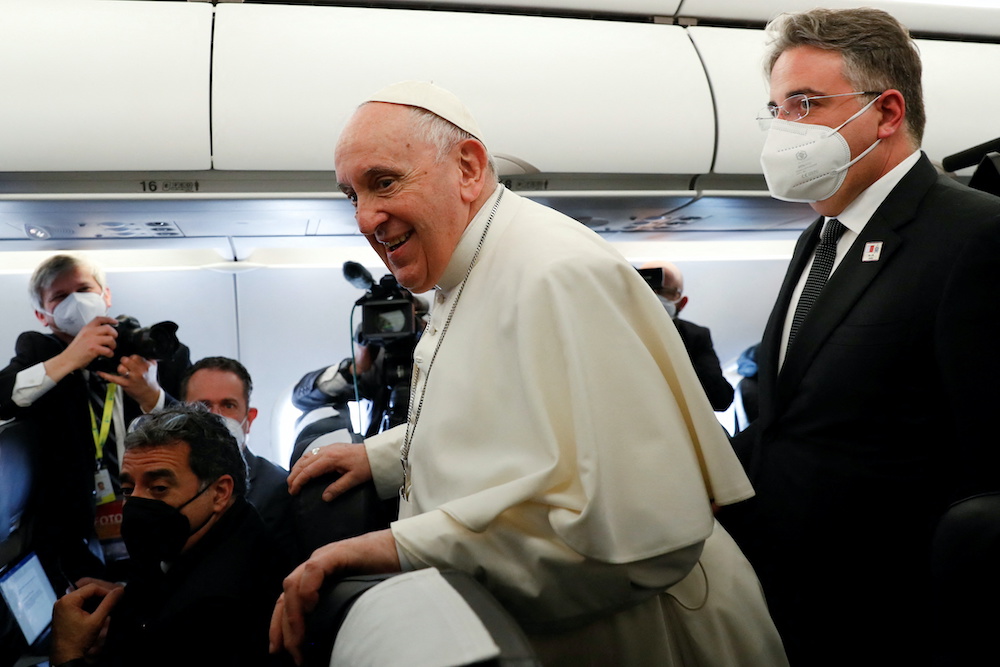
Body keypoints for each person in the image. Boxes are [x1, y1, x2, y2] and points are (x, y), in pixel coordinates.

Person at [271, 81, 787, 666]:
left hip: (647, 637)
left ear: (467, 168)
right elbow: (497, 412)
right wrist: (384, 457)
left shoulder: (554, 274)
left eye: (384, 182)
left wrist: (394, 546)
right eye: (351, 195)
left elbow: (631, 528)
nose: (366, 218)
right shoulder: (467, 262)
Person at [715, 8, 1000, 666]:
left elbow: (986, 465)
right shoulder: (817, 237)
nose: (783, 128)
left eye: (805, 103)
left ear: (887, 112)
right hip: (793, 600)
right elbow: (790, 420)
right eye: (777, 108)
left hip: (899, 615)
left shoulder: (974, 236)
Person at [48, 404, 293, 667]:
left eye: (159, 488)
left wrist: (67, 650)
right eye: (129, 489)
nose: (137, 504)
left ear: (220, 492)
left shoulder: (215, 605)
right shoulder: (216, 532)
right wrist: (122, 604)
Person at [0, 253, 189, 589]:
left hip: (157, 519)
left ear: (106, 296)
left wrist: (151, 396)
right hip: (73, 534)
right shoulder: (39, 351)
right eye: (59, 296)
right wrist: (69, 359)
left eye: (84, 288)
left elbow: (195, 432)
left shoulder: (149, 352)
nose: (75, 301)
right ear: (42, 314)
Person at [180, 356, 296, 556]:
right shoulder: (168, 483)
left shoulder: (276, 488)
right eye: (203, 405)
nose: (216, 416)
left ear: (249, 419)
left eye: (228, 405)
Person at [640, 261, 733, 411]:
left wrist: (672, 342)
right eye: (645, 288)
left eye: (663, 290)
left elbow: (720, 399)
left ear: (681, 303)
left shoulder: (695, 336)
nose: (653, 296)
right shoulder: (614, 333)